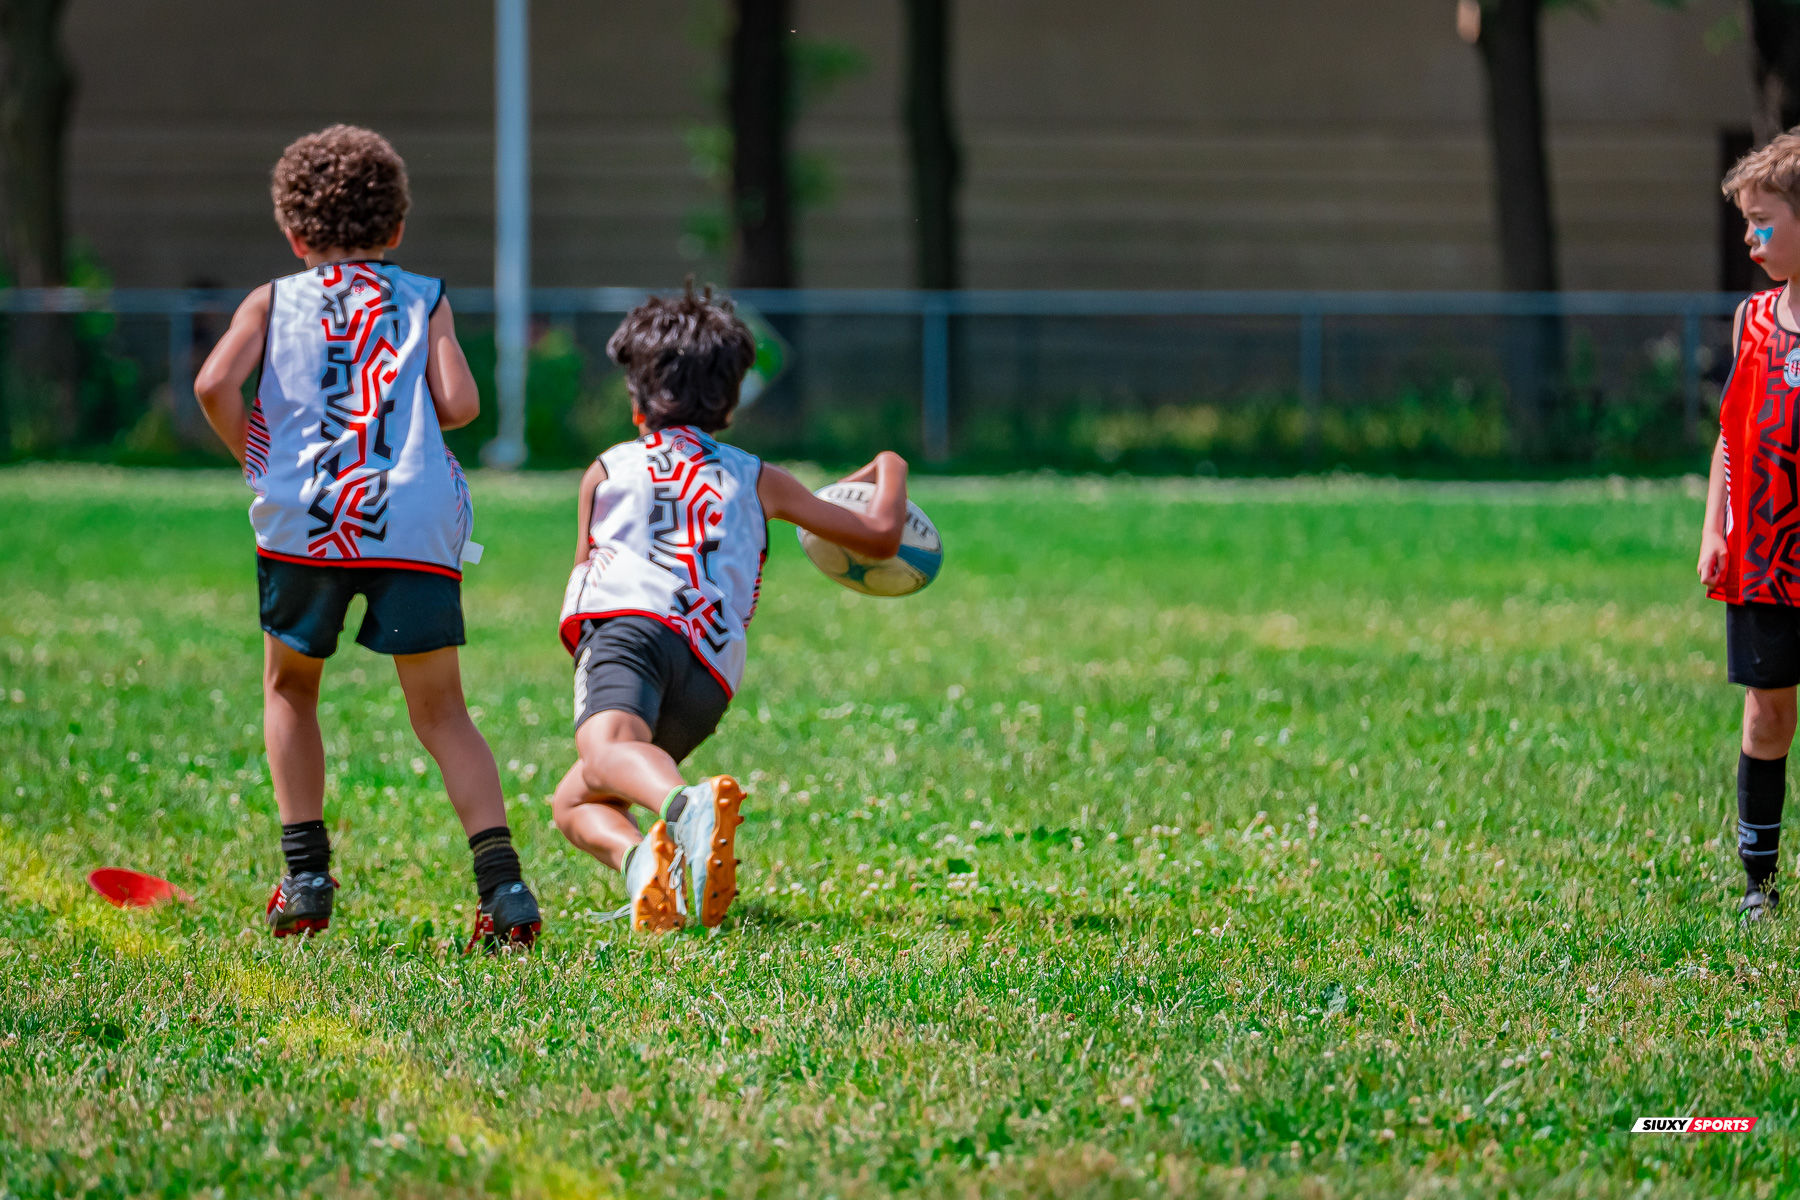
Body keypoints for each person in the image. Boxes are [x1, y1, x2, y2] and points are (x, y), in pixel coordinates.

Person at [193, 125, 542, 952]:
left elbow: (213, 383)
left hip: (305, 516)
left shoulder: (273, 299)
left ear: (294, 232)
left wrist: (253, 452)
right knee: (442, 710)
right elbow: (459, 409)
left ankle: (306, 874)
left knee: (290, 690)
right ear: (396, 229)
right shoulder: (424, 295)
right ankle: (505, 889)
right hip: (411, 518)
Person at [550, 284, 909, 932]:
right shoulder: (757, 476)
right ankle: (648, 869)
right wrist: (890, 463)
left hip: (629, 627)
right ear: (731, 402)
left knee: (605, 751)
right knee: (574, 800)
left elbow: (585, 570)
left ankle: (685, 809)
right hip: (710, 671)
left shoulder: (609, 467)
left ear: (637, 401)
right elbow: (881, 535)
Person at [1697, 129, 1800, 923]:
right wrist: (1715, 528)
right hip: (1766, 555)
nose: (1749, 237)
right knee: (1766, 711)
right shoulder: (1752, 319)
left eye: (1761, 221)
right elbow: (1732, 437)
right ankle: (1757, 883)